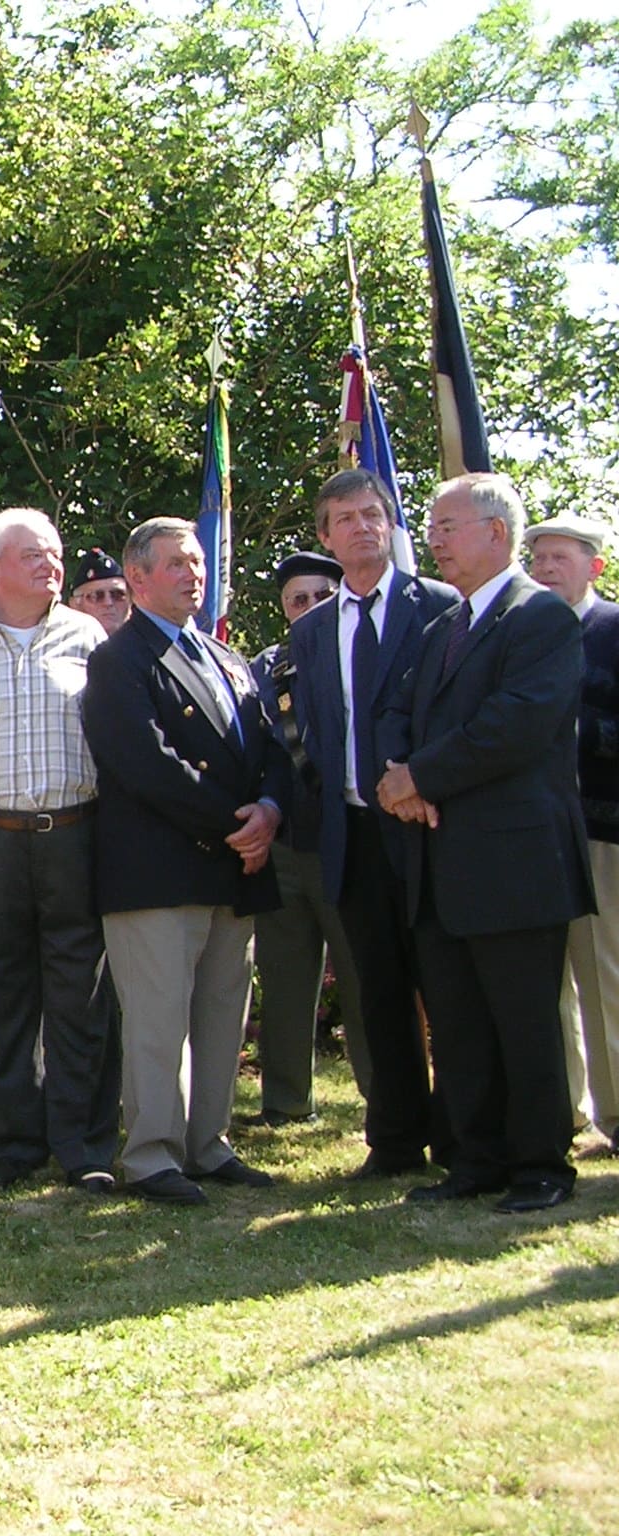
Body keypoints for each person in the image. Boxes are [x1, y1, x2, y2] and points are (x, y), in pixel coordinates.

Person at [380, 474, 591, 1211]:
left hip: (515, 860)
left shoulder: (542, 619)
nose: (432, 538)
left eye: (447, 526)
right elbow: (397, 714)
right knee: (461, 1021)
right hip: (439, 858)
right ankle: (475, 1160)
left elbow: (516, 725)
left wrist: (420, 779)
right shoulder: (443, 627)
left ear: (496, 533)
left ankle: (540, 1166)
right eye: (433, 527)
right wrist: (398, 776)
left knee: (522, 1019)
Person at [81, 516, 284, 1206]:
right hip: (159, 872)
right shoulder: (118, 660)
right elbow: (146, 765)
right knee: (159, 1022)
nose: (192, 574)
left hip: (233, 867)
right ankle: (150, 1157)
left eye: (196, 562)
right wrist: (237, 825)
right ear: (136, 578)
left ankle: (209, 1144)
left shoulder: (227, 658)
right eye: (175, 564)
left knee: (223, 1017)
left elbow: (271, 749)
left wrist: (270, 811)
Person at [0, 508, 119, 1195]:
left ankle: (84, 1144)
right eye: (34, 554)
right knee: (3, 993)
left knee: (80, 994)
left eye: (55, 554)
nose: (50, 565)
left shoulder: (87, 635)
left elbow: (108, 735)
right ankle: (15, 1144)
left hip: (75, 835)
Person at [286, 468, 460, 1178]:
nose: (362, 527)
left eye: (373, 514)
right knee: (378, 989)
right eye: (346, 519)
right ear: (326, 537)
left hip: (428, 827)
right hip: (352, 832)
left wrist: (418, 781)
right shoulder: (313, 630)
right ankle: (394, 1142)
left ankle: (459, 1137)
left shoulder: (442, 607)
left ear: (391, 524)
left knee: (445, 987)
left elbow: (452, 714)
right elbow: (313, 735)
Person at [248, 549, 366, 1126]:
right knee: (285, 978)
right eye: (300, 600)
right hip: (283, 846)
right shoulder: (263, 668)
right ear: (284, 609)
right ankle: (286, 1103)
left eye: (323, 596)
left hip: (348, 843)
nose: (311, 607)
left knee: (364, 978)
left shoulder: (357, 651)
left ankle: (385, 1100)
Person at [525, 511, 619, 1149]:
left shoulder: (613, 631)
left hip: (601, 830)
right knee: (545, 977)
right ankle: (564, 1111)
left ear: (595, 565)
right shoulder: (524, 631)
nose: (547, 569)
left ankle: (615, 1114)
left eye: (561, 558)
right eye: (540, 559)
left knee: (604, 970)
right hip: (533, 834)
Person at [69, 548, 132, 637]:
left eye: (118, 595)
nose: (108, 603)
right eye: (96, 596)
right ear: (75, 605)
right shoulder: (63, 648)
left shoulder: (150, 646)